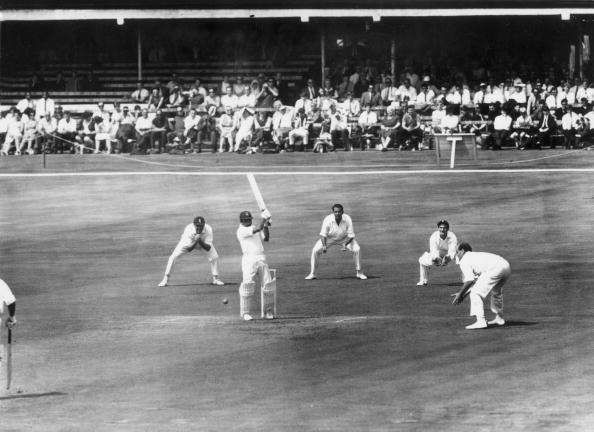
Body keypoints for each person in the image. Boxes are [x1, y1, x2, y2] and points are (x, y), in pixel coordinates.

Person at [451, 242, 511, 330]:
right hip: (506, 266)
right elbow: (476, 281)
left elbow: (469, 280)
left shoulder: (464, 260)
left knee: (475, 293)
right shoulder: (475, 256)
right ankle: (499, 318)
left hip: (495, 269)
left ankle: (481, 321)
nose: (456, 255)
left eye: (457, 252)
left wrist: (460, 294)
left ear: (462, 251)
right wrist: (463, 294)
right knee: (496, 291)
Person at [158, 216, 224, 287]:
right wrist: (196, 240)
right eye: (197, 226)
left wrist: (199, 240)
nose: (199, 228)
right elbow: (189, 249)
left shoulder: (208, 229)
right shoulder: (189, 229)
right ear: (194, 225)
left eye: (201, 226)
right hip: (189, 243)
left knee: (214, 257)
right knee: (173, 257)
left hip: (203, 243)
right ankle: (165, 279)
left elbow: (208, 248)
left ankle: (216, 279)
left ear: (204, 224)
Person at [305, 204, 367, 280]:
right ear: (333, 212)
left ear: (342, 212)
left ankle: (359, 273)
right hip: (329, 238)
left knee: (357, 249)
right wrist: (324, 246)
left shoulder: (347, 219)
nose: (337, 213)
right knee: (315, 250)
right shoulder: (328, 219)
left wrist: (345, 244)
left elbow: (351, 235)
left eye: (339, 212)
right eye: (335, 212)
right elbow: (323, 235)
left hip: (344, 238)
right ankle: (312, 274)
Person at [236, 210, 274, 321]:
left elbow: (266, 238)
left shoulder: (254, 227)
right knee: (248, 285)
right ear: (242, 221)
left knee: (268, 285)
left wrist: (266, 225)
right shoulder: (241, 230)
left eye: (249, 219)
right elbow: (257, 228)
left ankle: (268, 311)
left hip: (261, 257)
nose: (248, 221)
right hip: (249, 259)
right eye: (246, 220)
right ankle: (245, 313)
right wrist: (264, 219)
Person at [417, 220, 458, 286]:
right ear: (438, 228)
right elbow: (433, 250)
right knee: (421, 260)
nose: (442, 229)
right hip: (438, 253)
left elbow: (452, 250)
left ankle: (467, 279)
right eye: (440, 228)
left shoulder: (452, 236)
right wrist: (436, 259)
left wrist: (447, 259)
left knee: (462, 257)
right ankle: (423, 281)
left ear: (447, 229)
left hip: (449, 253)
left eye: (444, 228)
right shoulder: (434, 236)